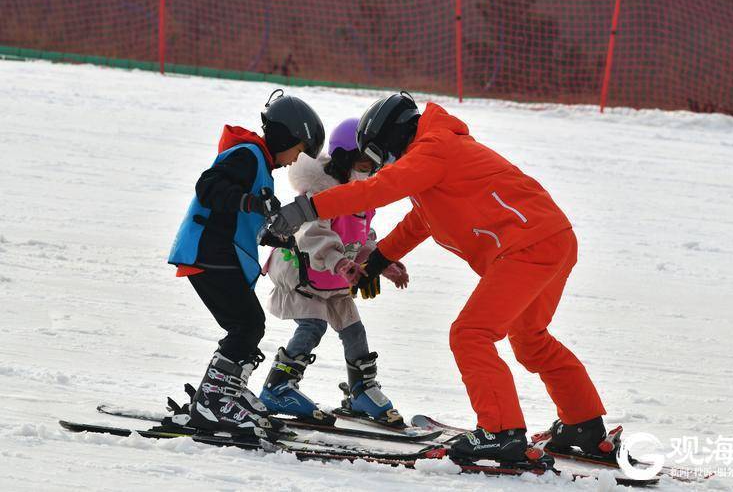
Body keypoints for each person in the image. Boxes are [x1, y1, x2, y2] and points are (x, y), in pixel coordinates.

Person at [266, 92, 607, 461]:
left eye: (381, 157)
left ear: (392, 139)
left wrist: (307, 207)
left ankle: (501, 431)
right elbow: (421, 221)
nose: (381, 166)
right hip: (551, 240)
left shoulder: (434, 148)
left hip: (526, 248)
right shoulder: (439, 153)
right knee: (530, 338)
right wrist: (377, 261)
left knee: (470, 334)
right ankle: (583, 423)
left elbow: (378, 189)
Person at [167, 89, 324, 437]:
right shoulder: (248, 154)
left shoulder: (259, 163)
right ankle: (214, 400)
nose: (295, 161)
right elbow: (208, 188)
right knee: (247, 325)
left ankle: (222, 393)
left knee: (245, 325)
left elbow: (237, 215)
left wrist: (270, 235)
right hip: (209, 252)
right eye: (299, 151)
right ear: (287, 136)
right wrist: (253, 203)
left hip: (217, 253)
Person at [259, 118, 409, 428]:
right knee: (313, 326)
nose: (368, 170)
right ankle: (278, 386)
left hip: (338, 278)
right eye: (363, 163)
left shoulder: (364, 195)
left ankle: (361, 390)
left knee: (354, 330)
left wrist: (383, 262)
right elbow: (312, 235)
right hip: (304, 274)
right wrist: (340, 262)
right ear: (343, 158)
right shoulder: (320, 192)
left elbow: (363, 235)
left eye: (373, 165)